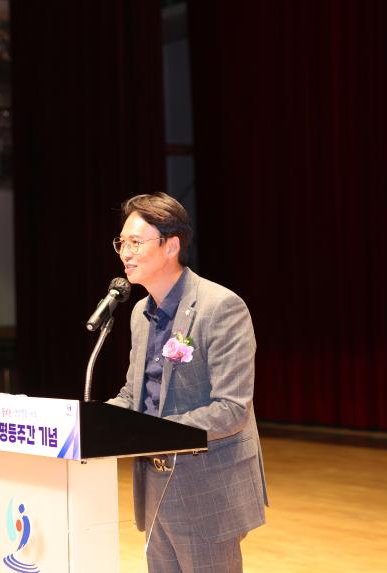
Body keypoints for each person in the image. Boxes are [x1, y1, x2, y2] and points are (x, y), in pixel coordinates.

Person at [107, 192, 268, 572]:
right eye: (121, 243)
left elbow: (232, 409)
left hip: (208, 488)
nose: (125, 253)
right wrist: (85, 421)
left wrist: (152, 434)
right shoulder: (139, 314)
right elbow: (133, 395)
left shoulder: (221, 307)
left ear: (171, 246)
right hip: (153, 484)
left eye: (136, 242)